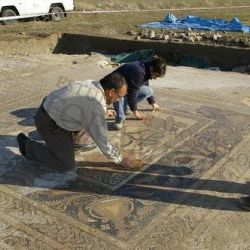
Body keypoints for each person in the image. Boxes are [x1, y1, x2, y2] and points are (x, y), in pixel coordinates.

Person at [17, 73, 135, 172]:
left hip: (54, 110)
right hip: (48, 121)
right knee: (65, 165)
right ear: (111, 92)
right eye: (119, 96)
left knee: (85, 144)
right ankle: (27, 146)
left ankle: (66, 141)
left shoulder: (93, 84)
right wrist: (119, 159)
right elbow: (102, 138)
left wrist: (103, 111)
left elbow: (86, 105)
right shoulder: (95, 104)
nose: (118, 100)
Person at [111, 55, 167, 130]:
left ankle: (125, 106)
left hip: (126, 86)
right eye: (156, 75)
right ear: (151, 68)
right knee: (117, 92)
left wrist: (153, 103)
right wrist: (136, 113)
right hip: (114, 86)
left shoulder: (146, 68)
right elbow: (132, 93)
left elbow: (144, 84)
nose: (156, 78)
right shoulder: (139, 72)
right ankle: (119, 118)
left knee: (148, 91)